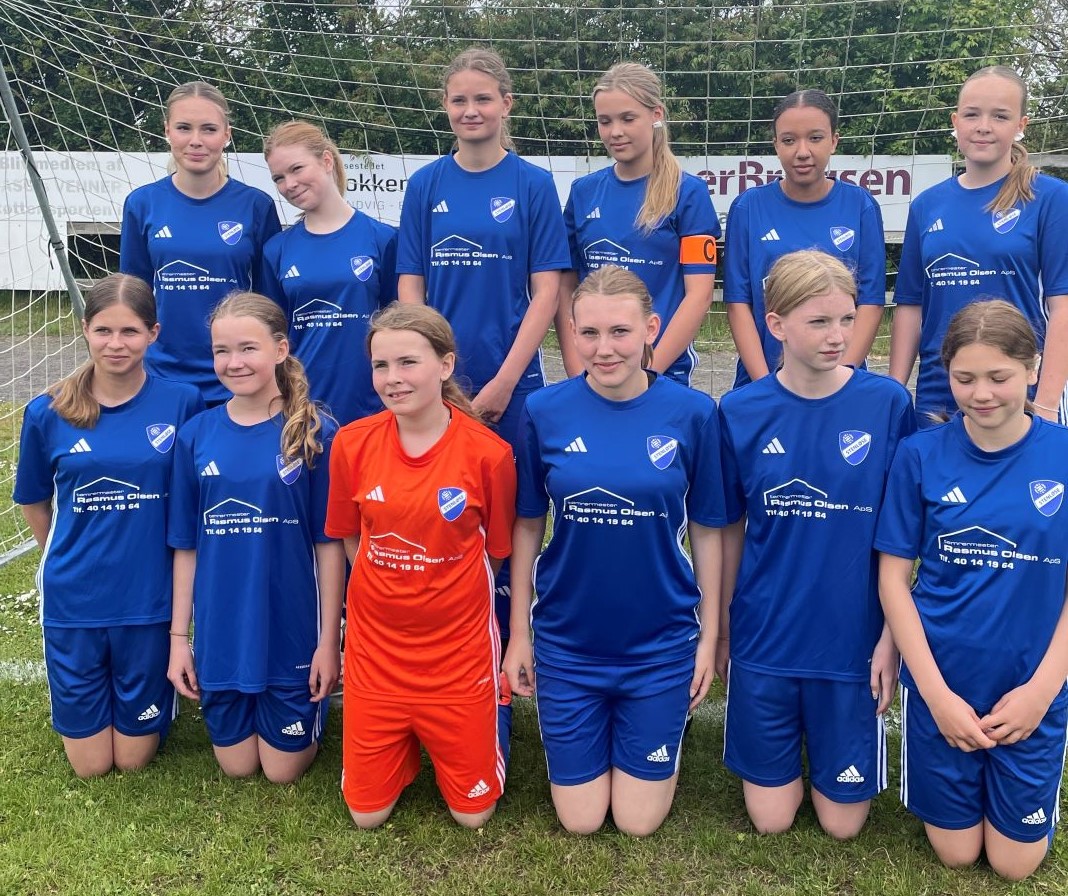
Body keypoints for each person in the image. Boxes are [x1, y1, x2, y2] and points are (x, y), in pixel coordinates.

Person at [505, 265, 724, 836]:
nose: (604, 349)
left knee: (636, 822)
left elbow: (708, 530)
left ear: (651, 329)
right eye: (590, 333)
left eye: (620, 332)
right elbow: (527, 526)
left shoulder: (694, 413)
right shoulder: (544, 411)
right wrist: (520, 634)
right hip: (569, 642)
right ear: (571, 332)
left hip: (660, 644)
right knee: (580, 821)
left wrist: (709, 639)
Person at [717, 250, 913, 838]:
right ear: (776, 324)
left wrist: (891, 638)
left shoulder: (887, 404)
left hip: (851, 643)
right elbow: (728, 531)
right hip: (766, 637)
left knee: (843, 826)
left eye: (847, 319)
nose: (838, 336)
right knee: (771, 821)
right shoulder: (740, 411)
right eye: (819, 321)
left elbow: (901, 539)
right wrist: (723, 629)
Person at [876, 299, 1068, 881]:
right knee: (956, 853)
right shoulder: (919, 454)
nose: (981, 393)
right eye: (964, 379)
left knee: (1014, 864)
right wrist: (935, 696)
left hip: (1030, 684)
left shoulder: (1061, 454)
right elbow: (893, 580)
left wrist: (1041, 692)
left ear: (1032, 368)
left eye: (998, 377)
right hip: (945, 679)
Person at [396, 46, 568, 658]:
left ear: (506, 104)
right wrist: (431, 375)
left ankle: (511, 646)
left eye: (483, 99)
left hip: (511, 383)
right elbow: (410, 287)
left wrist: (502, 383)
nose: (471, 110)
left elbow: (547, 291)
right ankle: (445, 643)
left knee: (515, 514)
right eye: (459, 100)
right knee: (441, 513)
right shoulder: (426, 184)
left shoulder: (533, 184)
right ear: (445, 107)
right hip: (438, 386)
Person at [326, 303, 516, 829]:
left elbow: (495, 551)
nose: (393, 378)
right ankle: (403, 738)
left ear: (445, 364)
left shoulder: (489, 454)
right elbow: (348, 534)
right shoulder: (352, 444)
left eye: (408, 362)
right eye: (381, 365)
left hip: (457, 653)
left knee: (472, 816)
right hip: (377, 651)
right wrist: (384, 584)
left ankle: (490, 706)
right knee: (366, 815)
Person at [13, 274, 203, 777]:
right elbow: (33, 499)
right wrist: (62, 554)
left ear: (153, 333)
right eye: (103, 330)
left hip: (148, 595)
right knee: (92, 767)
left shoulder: (182, 402)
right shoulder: (47, 410)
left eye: (129, 331)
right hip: (74, 596)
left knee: (133, 761)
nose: (115, 343)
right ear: (85, 330)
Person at [167, 292, 343, 783]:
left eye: (248, 348)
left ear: (280, 349)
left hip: (290, 626)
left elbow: (328, 545)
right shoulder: (196, 435)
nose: (234, 362)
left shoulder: (313, 431)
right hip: (222, 631)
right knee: (238, 766)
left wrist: (329, 641)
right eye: (221, 351)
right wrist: (179, 641)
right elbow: (186, 546)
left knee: (282, 771)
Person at [890, 66, 1068, 425]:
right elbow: (910, 306)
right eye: (972, 114)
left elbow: (1062, 306)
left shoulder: (1050, 198)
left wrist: (1047, 404)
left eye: (1000, 116)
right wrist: (894, 393)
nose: (983, 126)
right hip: (941, 391)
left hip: (1019, 391)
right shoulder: (927, 205)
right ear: (955, 122)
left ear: (1021, 125)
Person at [556, 62, 720, 386]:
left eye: (627, 119)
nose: (615, 131)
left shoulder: (689, 193)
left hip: (661, 374)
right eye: (605, 121)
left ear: (656, 114)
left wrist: (647, 373)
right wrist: (577, 370)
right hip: (594, 373)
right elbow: (565, 287)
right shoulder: (583, 192)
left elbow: (699, 296)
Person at [120, 81, 282, 404]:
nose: (196, 140)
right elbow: (132, 300)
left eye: (209, 129)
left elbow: (270, 305)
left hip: (237, 376)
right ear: (167, 131)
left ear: (227, 135)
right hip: (162, 376)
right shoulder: (142, 204)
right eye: (184, 128)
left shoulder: (256, 206)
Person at [725, 89, 886, 388]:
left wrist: (841, 379)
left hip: (841, 383)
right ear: (775, 144)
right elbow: (738, 303)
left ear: (834, 141)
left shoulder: (860, 205)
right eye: (789, 140)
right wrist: (766, 387)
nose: (802, 151)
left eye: (815, 138)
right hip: (763, 381)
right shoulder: (748, 207)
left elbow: (871, 302)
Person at [260, 120, 398, 425]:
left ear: (326, 161)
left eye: (297, 169)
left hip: (372, 406)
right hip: (301, 408)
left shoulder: (383, 239)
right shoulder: (276, 250)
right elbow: (271, 338)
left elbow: (399, 326)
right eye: (279, 178)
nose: (289, 184)